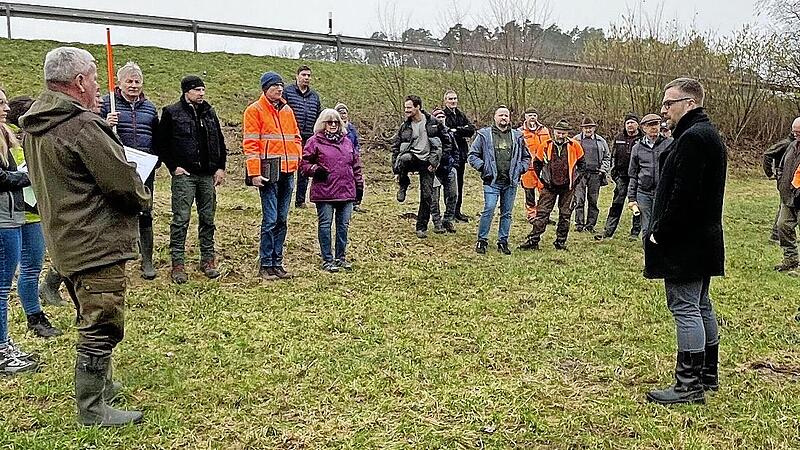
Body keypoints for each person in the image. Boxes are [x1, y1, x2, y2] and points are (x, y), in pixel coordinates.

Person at [21, 46, 150, 425]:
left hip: (67, 237)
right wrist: (141, 193)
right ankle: (92, 408)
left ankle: (103, 388)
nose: (97, 86)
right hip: (95, 240)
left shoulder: (36, 124)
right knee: (102, 321)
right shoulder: (81, 126)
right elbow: (122, 182)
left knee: (88, 311)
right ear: (79, 82)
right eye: (94, 78)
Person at [644, 77, 726, 406]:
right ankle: (707, 375)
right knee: (701, 304)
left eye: (669, 103)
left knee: (685, 307)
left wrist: (660, 231)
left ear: (689, 104)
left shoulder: (693, 138)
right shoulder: (706, 135)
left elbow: (684, 195)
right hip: (701, 239)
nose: (663, 110)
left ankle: (689, 385)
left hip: (685, 241)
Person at [157, 75, 227, 284]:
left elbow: (220, 141)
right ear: (186, 92)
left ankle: (208, 260)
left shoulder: (209, 112)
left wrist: (221, 167)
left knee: (208, 219)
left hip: (207, 175)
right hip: (185, 176)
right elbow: (162, 143)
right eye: (197, 90)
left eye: (203, 89)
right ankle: (177, 264)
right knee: (181, 220)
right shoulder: (172, 113)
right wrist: (173, 167)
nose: (201, 93)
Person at [101, 62, 160, 280]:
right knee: (116, 211)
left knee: (145, 211)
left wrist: (156, 160)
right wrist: (105, 122)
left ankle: (147, 260)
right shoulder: (108, 103)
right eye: (129, 81)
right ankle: (115, 258)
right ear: (119, 82)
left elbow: (156, 136)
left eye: (137, 81)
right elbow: (94, 131)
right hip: (118, 165)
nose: (134, 85)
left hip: (144, 168)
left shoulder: (150, 107)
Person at [243, 72, 303, 281]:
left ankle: (277, 262)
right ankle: (266, 263)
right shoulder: (254, 110)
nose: (279, 89)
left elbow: (296, 137)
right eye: (275, 86)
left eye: (281, 85)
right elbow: (250, 144)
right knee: (270, 219)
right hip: (269, 170)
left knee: (282, 219)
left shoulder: (287, 110)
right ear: (265, 88)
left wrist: (296, 158)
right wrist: (254, 173)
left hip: (288, 170)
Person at [300, 109, 364, 272]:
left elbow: (355, 165)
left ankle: (341, 257)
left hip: (346, 190)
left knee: (343, 226)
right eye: (330, 122)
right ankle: (327, 259)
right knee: (326, 225)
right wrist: (315, 170)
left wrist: (359, 185)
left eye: (336, 122)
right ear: (323, 124)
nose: (333, 125)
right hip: (325, 191)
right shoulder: (314, 141)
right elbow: (304, 164)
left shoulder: (347, 141)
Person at [469, 106, 530, 255]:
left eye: (506, 115)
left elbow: (526, 157)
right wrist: (483, 168)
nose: (504, 118)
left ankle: (503, 241)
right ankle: (482, 240)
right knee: (489, 209)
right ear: (495, 117)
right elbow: (472, 155)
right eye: (501, 115)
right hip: (492, 181)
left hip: (510, 182)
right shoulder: (484, 135)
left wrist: (520, 169)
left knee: (507, 213)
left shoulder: (517, 136)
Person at [519, 120, 585, 251]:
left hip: (567, 187)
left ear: (567, 133)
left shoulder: (575, 146)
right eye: (558, 132)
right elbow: (537, 163)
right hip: (549, 187)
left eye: (563, 133)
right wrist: (543, 180)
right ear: (554, 132)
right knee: (542, 213)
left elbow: (582, 165)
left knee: (565, 215)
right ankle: (533, 240)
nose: (560, 135)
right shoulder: (546, 145)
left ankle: (560, 242)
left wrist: (575, 180)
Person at [391, 95, 449, 239]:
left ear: (418, 107)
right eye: (405, 108)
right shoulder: (405, 126)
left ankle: (421, 226)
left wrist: (436, 162)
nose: (406, 110)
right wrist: (396, 171)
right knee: (403, 159)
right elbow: (395, 148)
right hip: (412, 157)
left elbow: (447, 143)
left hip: (428, 162)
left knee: (427, 195)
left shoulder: (433, 123)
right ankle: (403, 184)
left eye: (409, 108)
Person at [596, 114, 643, 240]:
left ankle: (635, 232)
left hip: (638, 177)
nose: (630, 125)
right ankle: (608, 231)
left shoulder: (643, 139)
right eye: (628, 123)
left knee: (636, 205)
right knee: (616, 204)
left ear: (638, 125)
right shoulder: (619, 138)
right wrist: (614, 173)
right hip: (621, 176)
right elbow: (613, 156)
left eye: (632, 122)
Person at [628, 114, 673, 240]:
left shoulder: (670, 144)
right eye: (650, 125)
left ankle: (663, 256)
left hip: (663, 193)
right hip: (644, 193)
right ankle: (649, 256)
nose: (654, 127)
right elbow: (633, 174)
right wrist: (631, 197)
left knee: (662, 227)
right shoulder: (637, 148)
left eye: (656, 124)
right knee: (647, 228)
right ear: (643, 128)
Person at [284, 65, 322, 209]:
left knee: (304, 169)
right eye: (304, 75)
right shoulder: (287, 93)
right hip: (291, 137)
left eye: (308, 75)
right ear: (297, 76)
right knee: (288, 169)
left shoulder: (314, 96)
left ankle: (300, 200)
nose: (306, 78)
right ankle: (285, 199)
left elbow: (319, 116)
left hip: (308, 138)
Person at [442, 90, 476, 222]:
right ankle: (449, 212)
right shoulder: (443, 115)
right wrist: (460, 130)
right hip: (449, 155)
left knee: (460, 183)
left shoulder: (460, 114)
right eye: (450, 99)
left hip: (461, 154)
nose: (453, 101)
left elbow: (471, 129)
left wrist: (457, 130)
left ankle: (457, 211)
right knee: (451, 185)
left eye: (455, 98)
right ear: (445, 100)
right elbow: (446, 132)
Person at [572, 117, 610, 233]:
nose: (588, 130)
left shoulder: (601, 141)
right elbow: (571, 157)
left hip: (595, 174)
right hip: (580, 174)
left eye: (590, 127)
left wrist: (603, 170)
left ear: (594, 128)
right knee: (579, 200)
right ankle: (579, 224)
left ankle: (590, 225)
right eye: (586, 128)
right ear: (582, 129)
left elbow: (607, 157)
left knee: (593, 201)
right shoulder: (575, 140)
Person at [772, 117, 800, 274]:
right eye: (794, 133)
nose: (796, 136)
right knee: (782, 225)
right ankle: (790, 259)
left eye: (799, 133)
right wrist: (780, 180)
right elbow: (782, 165)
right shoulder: (792, 146)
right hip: (788, 196)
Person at [429, 108, 458, 233]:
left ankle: (448, 220)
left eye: (442, 116)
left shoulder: (449, 133)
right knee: (434, 199)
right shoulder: (429, 134)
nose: (441, 118)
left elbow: (455, 150)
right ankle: (437, 222)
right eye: (438, 116)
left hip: (449, 168)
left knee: (453, 195)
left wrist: (455, 164)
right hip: (434, 171)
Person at [764, 129, 796, 243]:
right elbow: (767, 154)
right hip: (785, 181)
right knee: (784, 205)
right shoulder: (786, 144)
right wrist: (771, 173)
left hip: (794, 181)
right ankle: (775, 234)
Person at [519, 109, 550, 224]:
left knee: (545, 192)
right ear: (525, 117)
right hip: (528, 168)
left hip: (543, 167)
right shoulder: (520, 132)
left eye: (534, 115)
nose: (532, 117)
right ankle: (532, 215)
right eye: (530, 115)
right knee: (529, 192)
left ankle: (543, 214)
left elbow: (550, 147)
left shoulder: (545, 130)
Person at [334, 102, 366, 213]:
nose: (343, 115)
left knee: (358, 181)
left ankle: (356, 202)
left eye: (344, 113)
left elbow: (356, 142)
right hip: (340, 159)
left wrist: (356, 153)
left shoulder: (351, 128)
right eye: (340, 112)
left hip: (353, 158)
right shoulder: (334, 128)